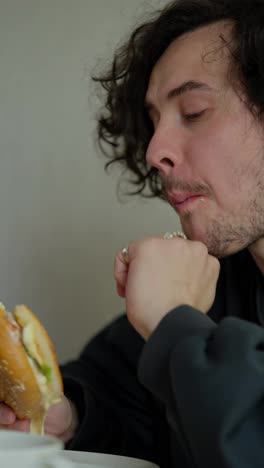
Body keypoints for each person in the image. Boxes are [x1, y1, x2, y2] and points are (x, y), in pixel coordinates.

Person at [1, 0, 264, 466]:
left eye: (194, 110)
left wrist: (173, 320)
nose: (155, 150)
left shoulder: (181, 307)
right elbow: (126, 399)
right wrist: (70, 418)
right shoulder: (218, 282)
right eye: (153, 123)